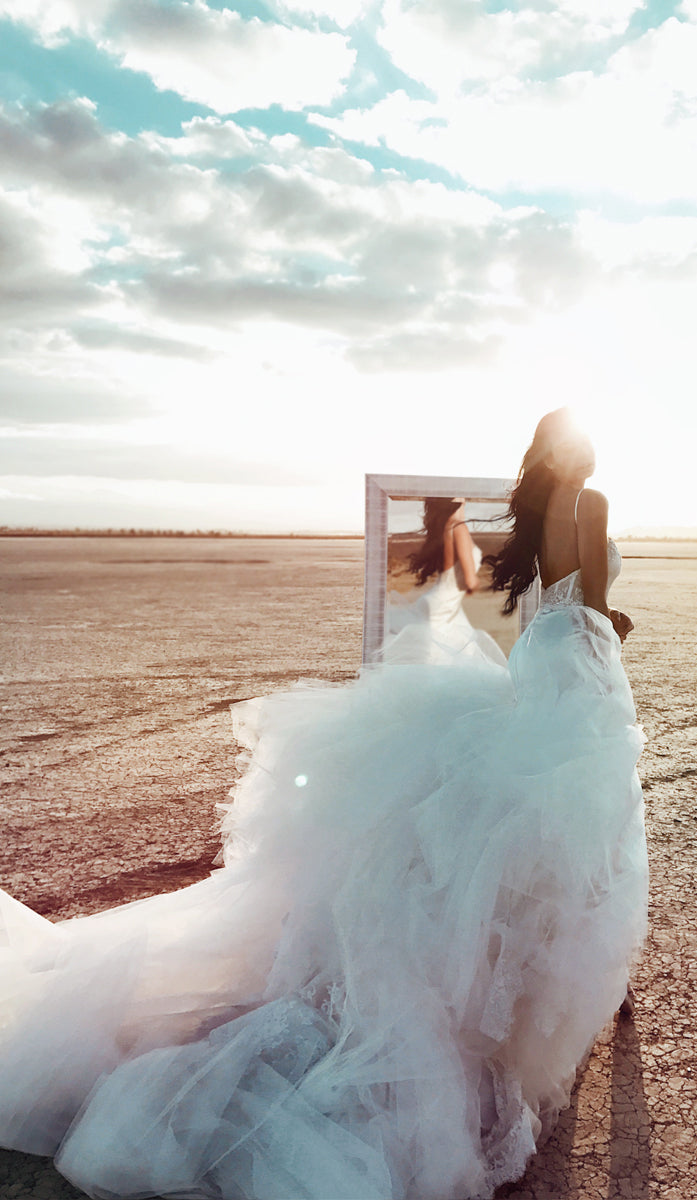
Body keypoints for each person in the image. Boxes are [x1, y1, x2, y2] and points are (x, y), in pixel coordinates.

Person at [0, 409, 647, 1200]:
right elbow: (589, 601)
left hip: (543, 653)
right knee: (581, 814)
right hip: (581, 659)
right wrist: (613, 625)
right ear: (574, 450)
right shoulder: (593, 503)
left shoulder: (536, 510)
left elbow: (549, 598)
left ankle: (523, 979)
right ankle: (561, 979)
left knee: (529, 819)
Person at [382, 497, 507, 666]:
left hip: (442, 602)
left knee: (443, 659)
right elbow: (469, 581)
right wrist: (478, 585)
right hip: (444, 605)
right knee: (454, 659)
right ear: (455, 501)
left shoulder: (445, 527)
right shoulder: (458, 527)